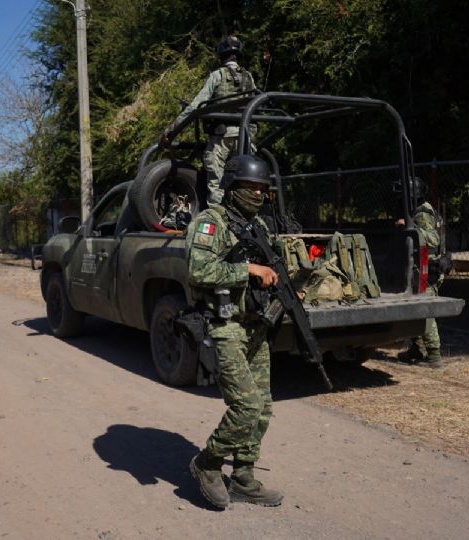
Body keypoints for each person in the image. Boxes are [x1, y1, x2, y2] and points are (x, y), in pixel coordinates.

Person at [185, 154, 283, 509]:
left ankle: (243, 478)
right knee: (246, 405)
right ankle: (207, 462)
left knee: (263, 409)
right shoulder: (211, 223)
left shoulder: (260, 227)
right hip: (224, 326)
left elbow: (272, 268)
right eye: (250, 187)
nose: (257, 194)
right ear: (231, 188)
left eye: (262, 188)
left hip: (256, 326)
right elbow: (199, 270)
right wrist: (249, 269)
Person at [173, 35, 257, 206]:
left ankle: (216, 221)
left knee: (217, 182)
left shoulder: (217, 75)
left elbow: (195, 105)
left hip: (221, 137)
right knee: (243, 181)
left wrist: (172, 128)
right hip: (246, 136)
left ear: (221, 56)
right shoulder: (249, 78)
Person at [396, 179, 444, 368]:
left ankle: (434, 356)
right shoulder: (421, 209)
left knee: (425, 312)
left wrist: (409, 228)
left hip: (428, 270)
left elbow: (432, 239)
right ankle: (416, 349)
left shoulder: (422, 212)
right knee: (415, 309)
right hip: (423, 268)